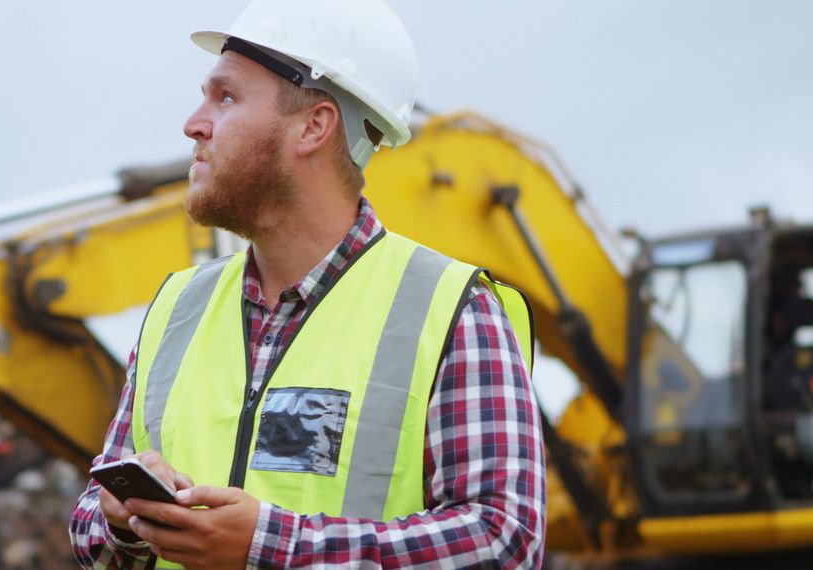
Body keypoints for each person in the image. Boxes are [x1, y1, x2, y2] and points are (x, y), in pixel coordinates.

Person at [69, 0, 545, 568]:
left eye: (226, 97)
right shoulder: (177, 308)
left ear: (313, 126)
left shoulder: (452, 311)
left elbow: (503, 540)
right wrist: (124, 521)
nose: (194, 124)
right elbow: (91, 531)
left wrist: (269, 547)